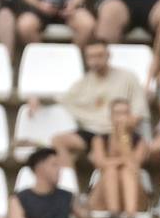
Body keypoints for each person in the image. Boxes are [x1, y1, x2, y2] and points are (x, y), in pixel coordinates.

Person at [51, 40, 151, 168]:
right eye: (90, 57)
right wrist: (35, 99)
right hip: (91, 132)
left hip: (117, 132)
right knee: (58, 140)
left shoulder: (128, 78)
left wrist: (123, 127)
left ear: (108, 55)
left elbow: (138, 113)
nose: (95, 61)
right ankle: (68, 183)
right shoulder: (83, 83)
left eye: (99, 55)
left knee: (100, 157)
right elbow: (62, 99)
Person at [16, 0, 94, 47]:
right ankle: (42, 57)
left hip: (69, 8)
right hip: (39, 8)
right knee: (25, 26)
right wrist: (39, 5)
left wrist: (72, 4)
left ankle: (70, 58)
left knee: (87, 24)